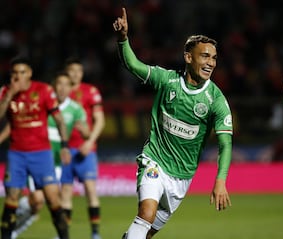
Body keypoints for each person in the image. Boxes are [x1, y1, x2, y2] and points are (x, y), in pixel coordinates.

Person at [113, 7, 233, 239]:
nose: (211, 63)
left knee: (146, 233)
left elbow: (225, 144)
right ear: (188, 57)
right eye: (205, 56)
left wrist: (221, 180)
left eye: (214, 58)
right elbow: (134, 65)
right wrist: (123, 39)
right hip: (154, 160)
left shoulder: (216, 100)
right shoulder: (167, 81)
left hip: (182, 177)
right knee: (146, 214)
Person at [0, 57, 71, 239]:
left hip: (41, 154)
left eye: (22, 72)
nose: (18, 76)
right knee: (11, 199)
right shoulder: (5, 92)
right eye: (14, 73)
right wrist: (9, 95)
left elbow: (60, 120)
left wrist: (64, 145)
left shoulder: (43, 91)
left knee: (53, 200)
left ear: (29, 73)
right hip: (17, 154)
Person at [62, 57, 105, 239]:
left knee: (90, 189)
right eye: (72, 70)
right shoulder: (59, 92)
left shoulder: (90, 91)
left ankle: (95, 234)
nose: (76, 74)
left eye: (79, 71)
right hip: (64, 150)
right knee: (65, 192)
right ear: (66, 72)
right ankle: (63, 234)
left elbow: (100, 120)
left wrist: (89, 141)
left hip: (85, 149)